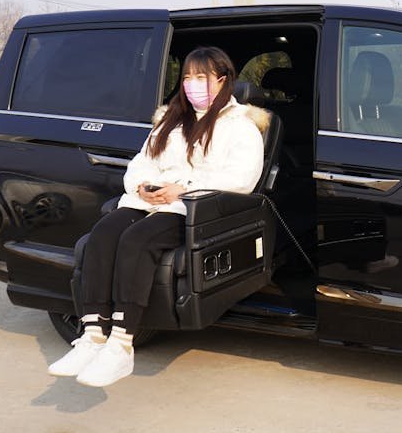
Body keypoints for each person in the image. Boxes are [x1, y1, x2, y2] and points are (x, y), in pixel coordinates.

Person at [48, 46, 265, 387]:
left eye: (202, 77)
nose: (192, 84)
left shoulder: (241, 128)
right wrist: (144, 186)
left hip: (190, 208)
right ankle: (92, 336)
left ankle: (121, 344)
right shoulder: (170, 121)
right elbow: (141, 163)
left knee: (136, 241)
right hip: (146, 202)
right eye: (188, 77)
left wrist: (182, 189)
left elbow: (240, 179)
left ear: (223, 81)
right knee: (102, 235)